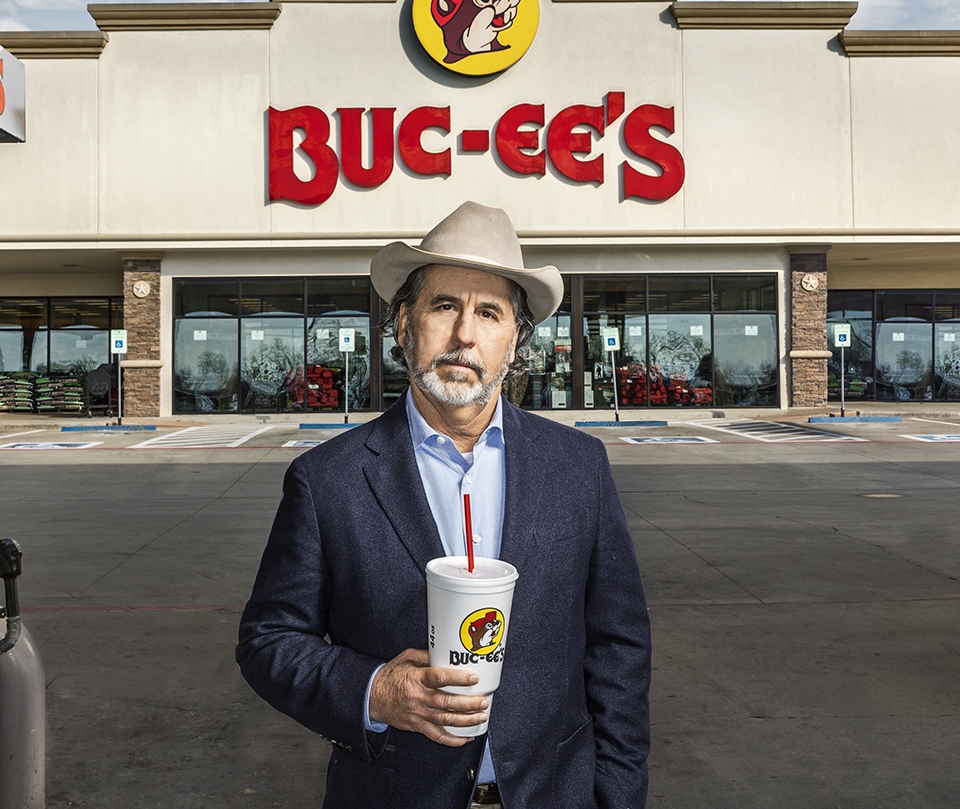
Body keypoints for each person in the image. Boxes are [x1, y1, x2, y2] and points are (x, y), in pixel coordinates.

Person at [236, 201, 651, 809]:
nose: (464, 335)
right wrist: (376, 690)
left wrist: (617, 797)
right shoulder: (327, 481)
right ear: (404, 325)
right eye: (444, 306)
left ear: (515, 341)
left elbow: (619, 647)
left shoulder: (577, 468)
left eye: (489, 313)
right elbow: (268, 640)